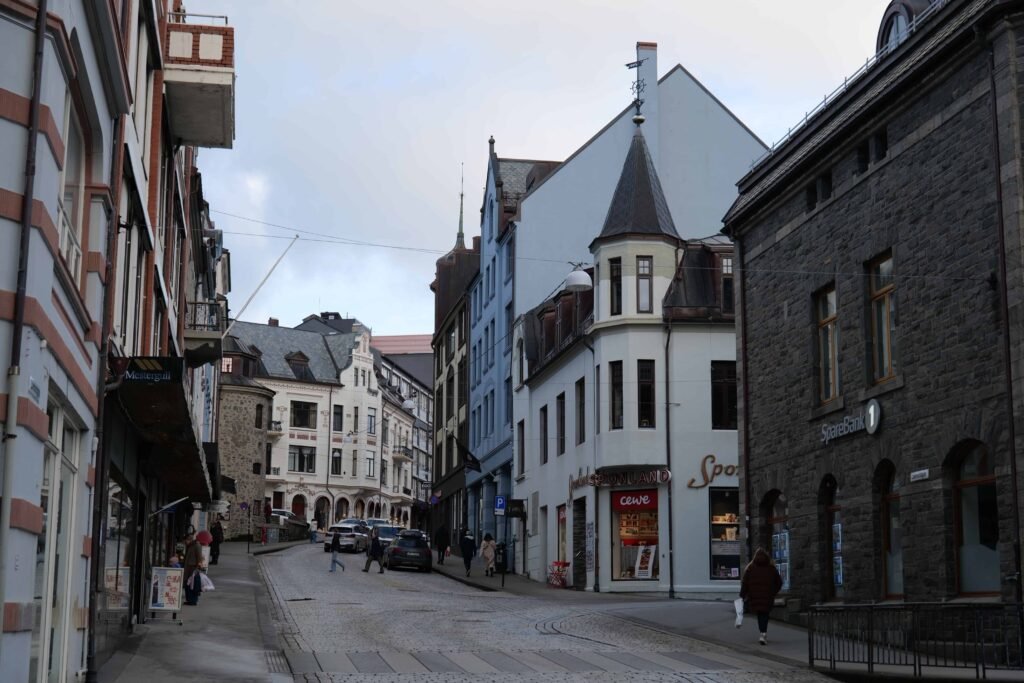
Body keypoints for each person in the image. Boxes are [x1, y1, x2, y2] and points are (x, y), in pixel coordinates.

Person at [740, 547, 783, 646]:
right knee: (765, 614)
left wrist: (742, 595)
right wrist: (773, 592)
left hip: (754, 596)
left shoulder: (750, 568)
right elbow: (779, 582)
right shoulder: (771, 568)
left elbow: (745, 583)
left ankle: (762, 633)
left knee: (760, 614)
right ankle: (763, 633)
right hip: (768, 596)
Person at [182, 532, 205, 606]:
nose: (185, 542)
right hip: (188, 568)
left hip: (193, 568)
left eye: (186, 540)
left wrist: (198, 567)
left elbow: (199, 557)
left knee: (193, 585)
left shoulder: (196, 545)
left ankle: (193, 600)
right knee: (187, 585)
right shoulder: (189, 546)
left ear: (190, 540)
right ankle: (189, 600)